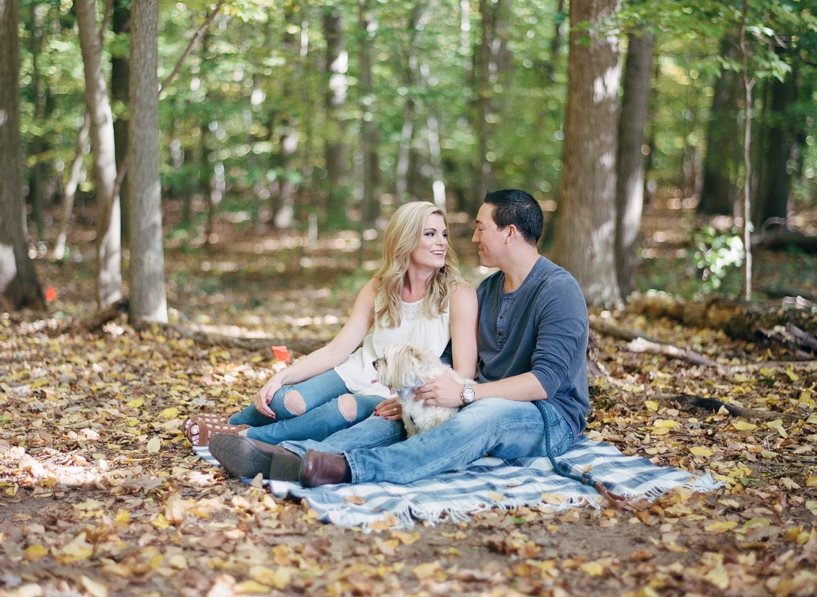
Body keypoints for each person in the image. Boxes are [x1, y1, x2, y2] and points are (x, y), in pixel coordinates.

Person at [210, 189, 588, 487]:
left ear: (509, 232)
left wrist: (467, 394)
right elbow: (451, 365)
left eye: (480, 227)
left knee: (484, 417)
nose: (471, 237)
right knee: (395, 416)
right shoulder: (487, 291)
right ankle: (297, 457)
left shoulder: (558, 290)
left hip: (547, 417)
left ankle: (347, 469)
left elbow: (544, 382)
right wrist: (413, 395)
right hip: (474, 397)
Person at [192, 202, 478, 479]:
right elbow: (336, 350)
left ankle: (249, 437)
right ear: (404, 239)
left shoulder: (458, 294)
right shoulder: (379, 287)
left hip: (392, 390)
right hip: (354, 371)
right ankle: (232, 423)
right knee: (288, 400)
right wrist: (282, 376)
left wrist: (405, 402)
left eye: (444, 234)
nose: (441, 242)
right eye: (430, 234)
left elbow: (461, 375)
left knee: (345, 408)